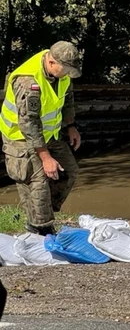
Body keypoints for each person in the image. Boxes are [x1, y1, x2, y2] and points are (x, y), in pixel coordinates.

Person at [0, 41, 82, 236]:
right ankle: (40, 228)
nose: (68, 74)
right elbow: (29, 123)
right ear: (52, 62)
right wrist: (45, 158)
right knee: (38, 180)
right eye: (66, 70)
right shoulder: (28, 81)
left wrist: (71, 127)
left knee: (69, 171)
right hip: (19, 138)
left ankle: (43, 213)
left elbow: (67, 99)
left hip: (48, 134)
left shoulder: (61, 72)